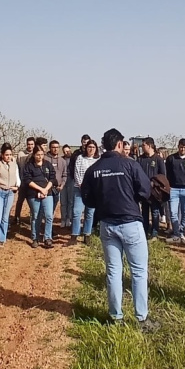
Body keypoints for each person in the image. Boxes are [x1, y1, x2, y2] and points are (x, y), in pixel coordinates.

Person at [81, 128, 157, 330]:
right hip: (131, 223)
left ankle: (116, 318)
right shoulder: (129, 164)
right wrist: (131, 199)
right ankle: (142, 319)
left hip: (107, 225)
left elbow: (87, 198)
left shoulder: (94, 169)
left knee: (113, 272)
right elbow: (145, 190)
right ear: (119, 144)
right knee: (139, 272)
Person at [22, 147, 58, 248]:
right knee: (36, 216)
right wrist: (40, 189)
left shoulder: (48, 165)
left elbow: (52, 178)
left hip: (48, 193)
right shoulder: (29, 166)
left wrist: (46, 189)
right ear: (34, 155)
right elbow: (28, 180)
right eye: (38, 155)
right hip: (33, 194)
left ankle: (47, 238)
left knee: (49, 216)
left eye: (42, 154)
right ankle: (35, 238)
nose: (40, 157)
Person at [136, 137, 167, 239]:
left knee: (155, 212)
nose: (142, 147)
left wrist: (155, 183)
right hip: (144, 191)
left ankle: (154, 233)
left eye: (143, 145)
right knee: (144, 212)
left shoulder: (158, 159)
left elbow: (163, 175)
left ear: (149, 146)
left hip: (155, 192)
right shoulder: (140, 159)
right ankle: (144, 231)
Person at [166, 138, 185, 244]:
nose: (183, 149)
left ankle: (182, 233)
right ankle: (176, 234)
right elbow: (167, 174)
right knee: (173, 213)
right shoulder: (171, 159)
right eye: (181, 147)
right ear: (178, 146)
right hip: (173, 189)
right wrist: (169, 187)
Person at [70, 140, 100, 245]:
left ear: (96, 149)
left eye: (93, 147)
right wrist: (81, 185)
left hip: (92, 191)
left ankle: (87, 235)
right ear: (86, 148)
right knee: (76, 212)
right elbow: (76, 172)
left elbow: (98, 175)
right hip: (79, 189)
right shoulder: (80, 158)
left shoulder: (98, 160)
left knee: (90, 213)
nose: (91, 149)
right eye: (89, 147)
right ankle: (74, 235)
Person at [63, 134, 91, 228]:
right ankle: (73, 224)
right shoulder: (76, 153)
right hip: (76, 182)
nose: (85, 144)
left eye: (87, 142)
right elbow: (71, 166)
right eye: (84, 142)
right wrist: (75, 179)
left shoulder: (92, 154)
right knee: (74, 203)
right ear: (81, 142)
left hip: (89, 184)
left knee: (88, 207)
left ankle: (85, 226)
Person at [14, 137, 36, 226]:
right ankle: (16, 218)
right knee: (20, 201)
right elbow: (17, 168)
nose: (30, 146)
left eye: (32, 144)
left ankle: (32, 219)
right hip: (23, 182)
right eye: (28, 144)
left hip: (32, 183)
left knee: (32, 202)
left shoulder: (36, 154)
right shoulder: (21, 154)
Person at [47, 140, 68, 224]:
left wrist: (62, 185)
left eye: (57, 147)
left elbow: (65, 174)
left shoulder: (62, 161)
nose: (55, 149)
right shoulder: (45, 159)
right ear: (50, 148)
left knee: (52, 209)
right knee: (47, 211)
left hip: (57, 189)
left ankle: (49, 229)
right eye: (53, 147)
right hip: (47, 189)